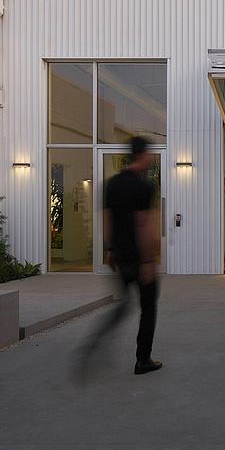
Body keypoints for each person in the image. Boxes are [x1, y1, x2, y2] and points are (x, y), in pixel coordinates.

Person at [79, 135, 163, 377]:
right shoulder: (144, 186)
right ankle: (143, 360)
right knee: (148, 307)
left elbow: (107, 218)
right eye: (149, 154)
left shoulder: (112, 183)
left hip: (121, 256)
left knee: (124, 304)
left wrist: (110, 249)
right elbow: (143, 225)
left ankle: (96, 339)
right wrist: (149, 262)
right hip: (139, 258)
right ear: (143, 155)